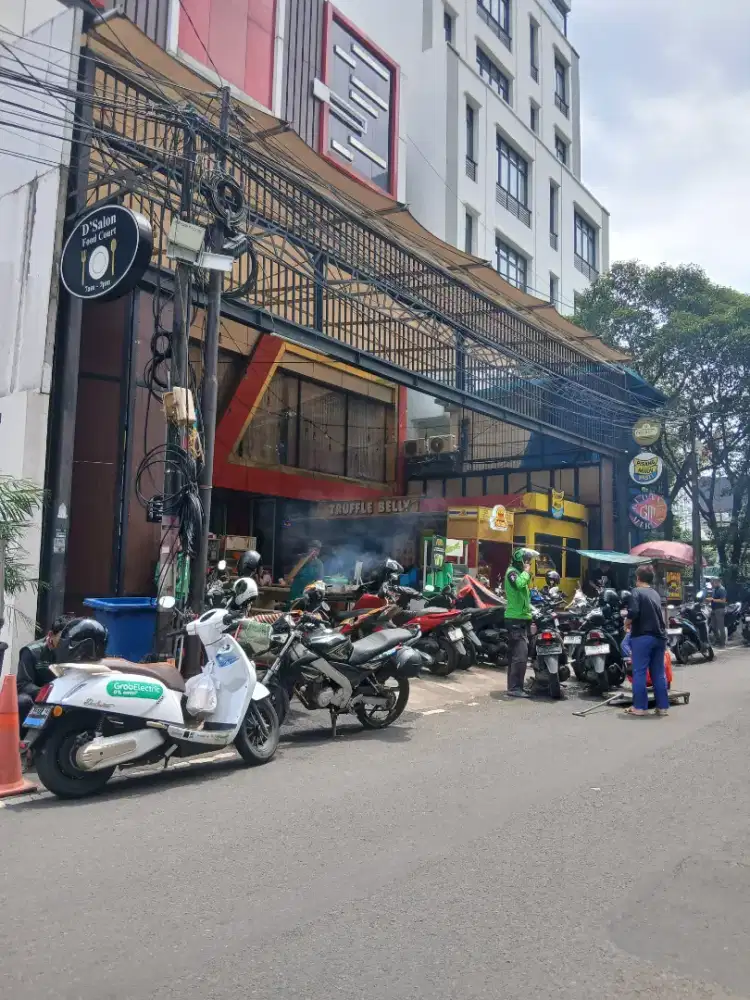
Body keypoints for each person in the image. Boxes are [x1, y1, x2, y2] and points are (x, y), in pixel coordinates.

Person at [17, 615, 76, 731]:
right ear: (50, 635)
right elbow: (23, 684)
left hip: (66, 697)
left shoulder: (74, 652)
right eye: (60, 641)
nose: (63, 646)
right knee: (22, 701)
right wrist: (48, 693)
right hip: (39, 698)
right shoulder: (31, 652)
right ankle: (25, 741)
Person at [625, 565, 669, 717]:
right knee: (658, 672)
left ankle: (640, 707)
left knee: (639, 672)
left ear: (638, 578)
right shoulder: (655, 593)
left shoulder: (636, 591)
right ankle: (662, 707)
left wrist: (627, 622)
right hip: (660, 637)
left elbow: (634, 611)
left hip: (643, 637)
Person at [503, 548, 536, 698]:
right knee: (520, 655)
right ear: (520, 560)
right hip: (515, 619)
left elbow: (523, 595)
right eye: (527, 560)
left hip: (522, 617)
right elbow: (518, 584)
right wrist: (527, 572)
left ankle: (515, 686)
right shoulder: (512, 572)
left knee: (517, 655)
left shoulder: (517, 572)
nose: (528, 563)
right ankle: (515, 688)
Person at [711, 577, 727, 647]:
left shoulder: (721, 589)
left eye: (713, 583)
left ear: (717, 582)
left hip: (720, 610)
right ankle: (717, 640)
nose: (712, 584)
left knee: (721, 627)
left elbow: (723, 600)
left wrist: (712, 600)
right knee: (713, 626)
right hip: (714, 609)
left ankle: (722, 643)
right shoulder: (715, 589)